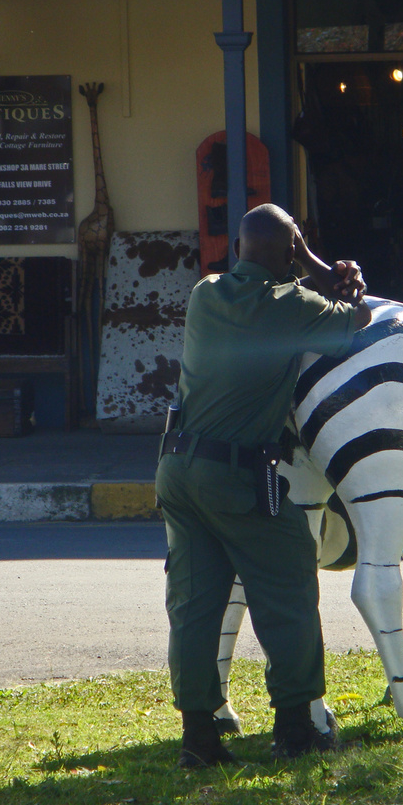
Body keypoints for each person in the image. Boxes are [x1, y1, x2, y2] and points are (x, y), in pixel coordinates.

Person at [156, 203, 371, 768]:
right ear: (288, 255)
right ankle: (296, 728)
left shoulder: (205, 294)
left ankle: (199, 741)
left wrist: (294, 257)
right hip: (233, 476)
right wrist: (325, 269)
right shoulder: (291, 305)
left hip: (176, 470)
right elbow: (356, 321)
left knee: (195, 605)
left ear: (238, 251)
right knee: (289, 585)